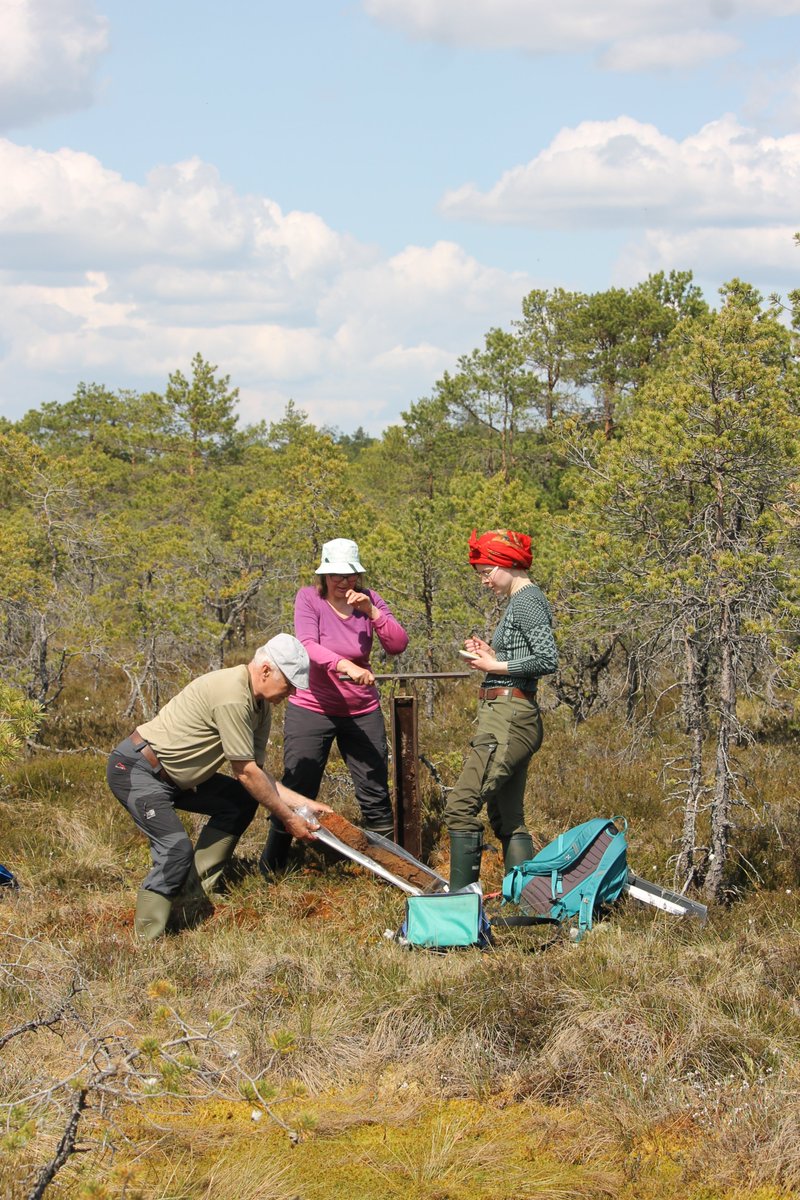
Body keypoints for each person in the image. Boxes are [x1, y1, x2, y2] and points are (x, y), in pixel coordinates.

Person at [107, 633, 331, 940]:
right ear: (266, 670)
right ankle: (148, 940)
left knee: (239, 802)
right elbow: (245, 772)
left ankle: (193, 896)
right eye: (289, 684)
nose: (291, 693)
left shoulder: (260, 706)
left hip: (181, 778)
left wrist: (303, 804)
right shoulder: (232, 695)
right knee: (175, 851)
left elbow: (257, 775)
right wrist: (289, 818)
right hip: (138, 770)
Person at [260, 538, 409, 874]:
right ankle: (273, 868)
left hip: (361, 710)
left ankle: (388, 868)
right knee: (299, 786)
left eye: (350, 576)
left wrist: (371, 613)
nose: (343, 583)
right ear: (324, 576)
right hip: (312, 707)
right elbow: (308, 646)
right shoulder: (309, 598)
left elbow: (398, 643)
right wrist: (347, 666)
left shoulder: (369, 601)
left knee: (374, 789)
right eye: (336, 576)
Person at [445, 529, 559, 891]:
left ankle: (460, 906)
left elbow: (547, 658)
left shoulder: (526, 601)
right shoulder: (522, 600)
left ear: (508, 564)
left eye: (486, 571)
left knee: (461, 807)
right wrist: (496, 656)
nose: (484, 581)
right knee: (508, 818)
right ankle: (525, 903)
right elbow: (527, 658)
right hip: (511, 715)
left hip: (509, 718)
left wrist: (496, 668)